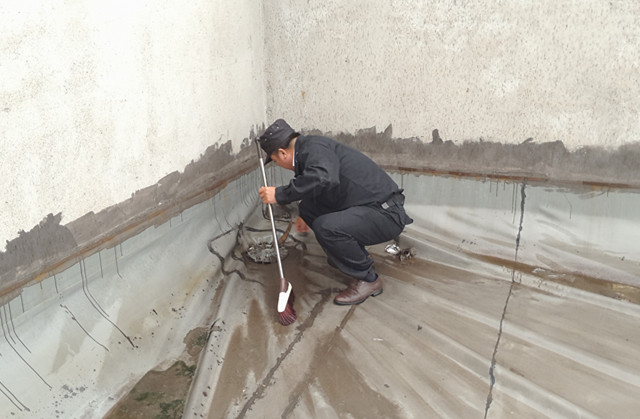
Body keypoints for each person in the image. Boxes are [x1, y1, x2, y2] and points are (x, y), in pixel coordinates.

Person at [257, 119, 413, 305]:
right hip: (369, 207)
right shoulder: (310, 149)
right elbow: (325, 186)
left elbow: (323, 178)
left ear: (282, 153)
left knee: (327, 227)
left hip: (385, 214)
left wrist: (280, 194)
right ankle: (350, 255)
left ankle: (368, 279)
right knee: (307, 207)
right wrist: (303, 213)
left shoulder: (314, 149)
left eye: (275, 161)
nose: (279, 164)